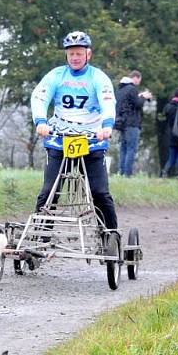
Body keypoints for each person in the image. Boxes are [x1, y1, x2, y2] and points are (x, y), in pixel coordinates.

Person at [31, 30, 118, 230]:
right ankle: (40, 238)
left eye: (79, 53)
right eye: (71, 54)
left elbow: (107, 101)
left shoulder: (98, 77)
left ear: (88, 54)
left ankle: (110, 235)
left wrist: (107, 126)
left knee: (99, 193)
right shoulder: (56, 75)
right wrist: (41, 121)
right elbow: (40, 97)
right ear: (66, 55)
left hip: (91, 140)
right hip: (59, 138)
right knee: (49, 192)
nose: (75, 57)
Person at [114, 70, 153, 176]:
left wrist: (139, 95)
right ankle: (128, 173)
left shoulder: (120, 89)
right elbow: (138, 104)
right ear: (136, 77)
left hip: (122, 123)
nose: (139, 82)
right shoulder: (132, 89)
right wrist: (144, 97)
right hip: (132, 123)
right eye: (139, 80)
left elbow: (128, 102)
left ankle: (121, 172)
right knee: (131, 148)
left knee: (123, 148)